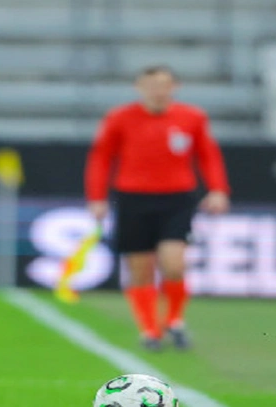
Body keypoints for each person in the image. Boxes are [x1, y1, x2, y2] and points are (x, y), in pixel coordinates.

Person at [84, 65, 231, 352]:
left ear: (174, 87)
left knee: (174, 264)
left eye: (164, 85)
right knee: (140, 268)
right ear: (139, 88)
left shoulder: (192, 117)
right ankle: (150, 330)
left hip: (177, 198)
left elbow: (207, 155)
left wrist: (218, 189)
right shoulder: (120, 118)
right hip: (133, 198)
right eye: (151, 85)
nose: (157, 91)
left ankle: (174, 320)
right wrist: (97, 197)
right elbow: (101, 158)